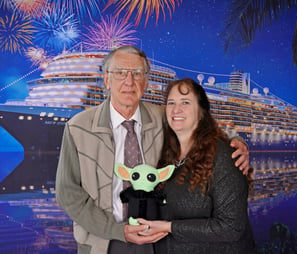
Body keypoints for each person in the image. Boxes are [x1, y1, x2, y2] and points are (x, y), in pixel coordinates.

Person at [55, 46, 250, 254]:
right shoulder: (78, 127)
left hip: (156, 240)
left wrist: (236, 141)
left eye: (137, 74)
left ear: (146, 81)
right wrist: (116, 230)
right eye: (120, 73)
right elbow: (67, 194)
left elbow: (198, 124)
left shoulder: (163, 117)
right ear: (107, 79)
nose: (129, 82)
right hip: (102, 241)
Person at [134, 78, 256, 253]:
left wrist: (170, 227)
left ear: (201, 111)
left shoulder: (224, 157)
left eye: (185, 102)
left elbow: (231, 226)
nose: (176, 109)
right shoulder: (165, 155)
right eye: (171, 103)